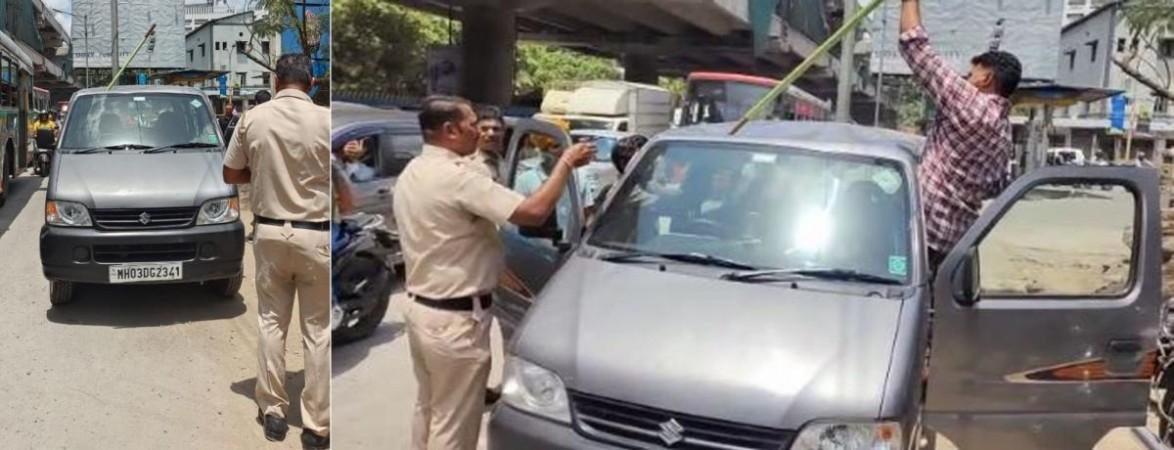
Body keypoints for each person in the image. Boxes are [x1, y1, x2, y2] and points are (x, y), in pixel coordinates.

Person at [394, 95, 594, 450]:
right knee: (454, 424)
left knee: (430, 408)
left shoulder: (416, 170)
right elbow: (532, 212)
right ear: (450, 130)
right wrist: (564, 163)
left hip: (421, 310)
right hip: (455, 322)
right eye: (473, 124)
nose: (480, 132)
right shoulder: (457, 179)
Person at [221, 54, 331, 450]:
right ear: (311, 80)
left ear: (276, 79)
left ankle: (273, 413)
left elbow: (230, 173)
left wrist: (264, 173)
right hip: (317, 236)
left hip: (269, 234)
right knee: (318, 332)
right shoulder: (328, 120)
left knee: (271, 323)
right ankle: (317, 426)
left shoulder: (254, 118)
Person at [899, 0, 1022, 270]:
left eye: (970, 73)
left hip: (925, 238)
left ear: (985, 79)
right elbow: (994, 186)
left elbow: (915, 47)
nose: (965, 78)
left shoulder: (972, 106)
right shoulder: (1003, 131)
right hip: (955, 245)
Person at [469, 105, 505, 181]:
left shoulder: (503, 161)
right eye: (484, 129)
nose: (491, 133)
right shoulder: (469, 163)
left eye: (496, 129)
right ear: (474, 131)